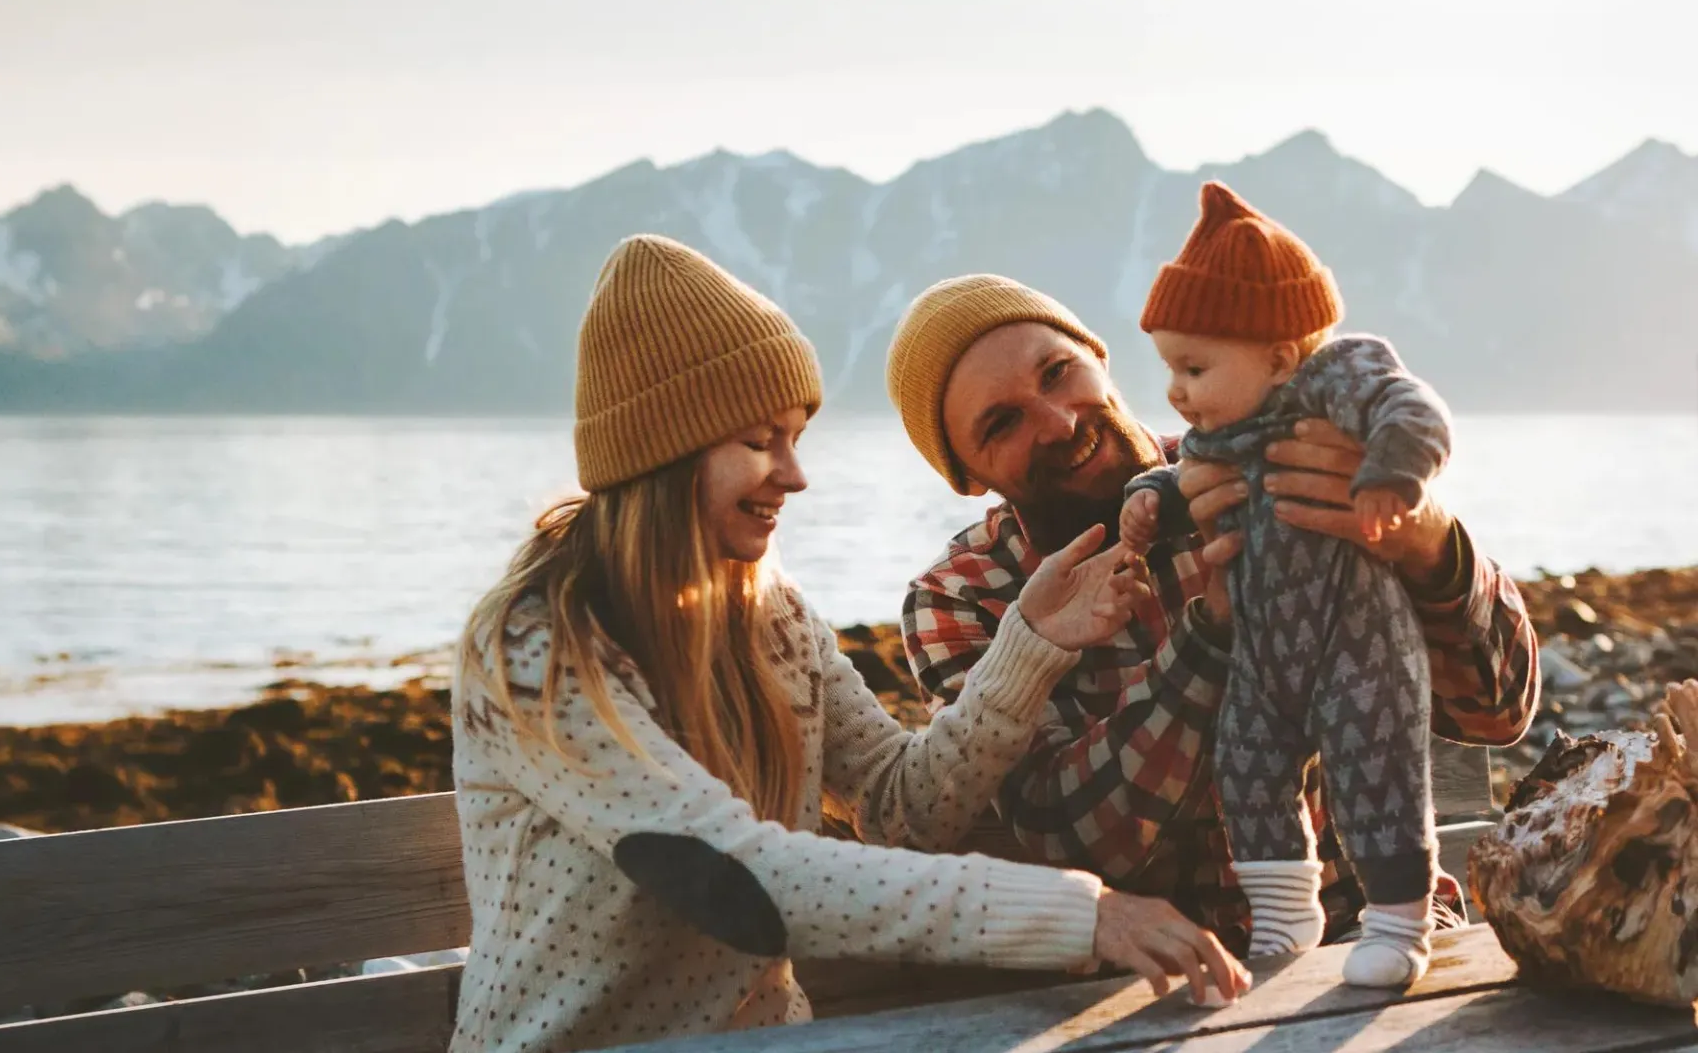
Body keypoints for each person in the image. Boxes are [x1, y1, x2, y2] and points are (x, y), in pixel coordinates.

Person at [447, 234, 1247, 1053]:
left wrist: (1030, 642)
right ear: (665, 450)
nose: (795, 476)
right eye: (761, 441)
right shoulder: (537, 646)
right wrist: (1085, 914)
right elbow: (728, 869)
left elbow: (904, 810)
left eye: (796, 437)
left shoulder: (771, 618)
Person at [884, 245, 1539, 963]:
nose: (1059, 422)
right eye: (1001, 423)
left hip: (1376, 935)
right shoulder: (962, 595)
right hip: (1152, 984)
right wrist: (1211, 636)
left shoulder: (1286, 456)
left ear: (1099, 357)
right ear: (966, 476)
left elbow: (1499, 711)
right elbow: (1072, 839)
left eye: (1057, 373)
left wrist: (1423, 537)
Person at [1120, 180, 1456, 988]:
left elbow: (1413, 409)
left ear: (1277, 355)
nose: (1174, 391)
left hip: (1356, 643)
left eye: (1194, 367)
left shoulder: (1332, 383)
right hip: (1265, 660)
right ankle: (1284, 911)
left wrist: (1393, 477)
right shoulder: (1219, 436)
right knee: (1247, 765)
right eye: (1169, 368)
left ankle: (1398, 925)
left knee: (1376, 770)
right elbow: (1179, 478)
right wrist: (1145, 500)